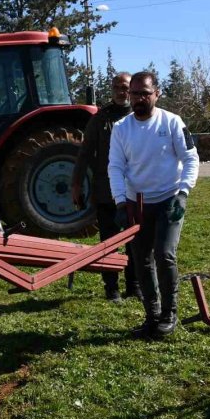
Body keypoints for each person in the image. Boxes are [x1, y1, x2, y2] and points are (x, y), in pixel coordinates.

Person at [108, 71, 199, 338]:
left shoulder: (172, 123)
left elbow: (191, 159)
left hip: (170, 199)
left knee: (164, 254)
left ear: (156, 94)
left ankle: (169, 314)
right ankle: (153, 315)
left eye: (145, 93)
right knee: (141, 260)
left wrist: (183, 193)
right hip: (137, 203)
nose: (138, 99)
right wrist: (120, 203)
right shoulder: (121, 128)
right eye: (134, 93)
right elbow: (115, 166)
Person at [71, 72, 142, 303]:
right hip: (106, 191)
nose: (121, 92)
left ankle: (134, 286)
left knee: (135, 242)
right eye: (116, 87)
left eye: (125, 87)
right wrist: (76, 184)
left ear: (132, 90)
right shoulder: (101, 119)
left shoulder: (140, 118)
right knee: (108, 242)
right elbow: (84, 153)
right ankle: (111, 289)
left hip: (136, 193)